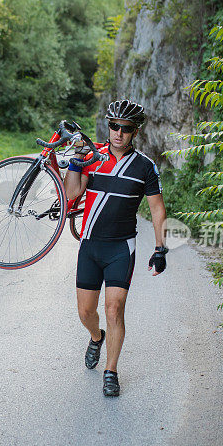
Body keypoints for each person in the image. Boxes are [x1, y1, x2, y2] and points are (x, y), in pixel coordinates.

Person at [63, 99, 168, 397]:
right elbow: (71, 193)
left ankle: (111, 371)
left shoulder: (145, 167)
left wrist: (161, 248)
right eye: (113, 126)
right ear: (107, 126)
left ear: (135, 132)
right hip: (90, 246)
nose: (118, 133)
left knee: (114, 308)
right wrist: (76, 160)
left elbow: (157, 209)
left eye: (125, 128)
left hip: (121, 248)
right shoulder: (92, 157)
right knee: (86, 312)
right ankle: (96, 337)